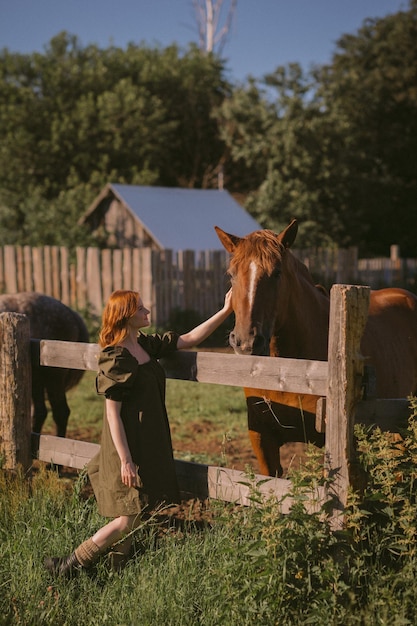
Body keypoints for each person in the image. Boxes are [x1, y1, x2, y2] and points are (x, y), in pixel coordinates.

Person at [44, 288, 233, 577]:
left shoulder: (144, 344)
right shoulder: (116, 357)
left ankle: (116, 572)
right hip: (126, 445)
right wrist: (125, 460)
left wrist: (226, 310)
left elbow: (190, 338)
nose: (147, 313)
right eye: (141, 309)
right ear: (126, 316)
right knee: (127, 517)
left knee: (135, 513)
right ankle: (71, 565)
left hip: (148, 440)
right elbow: (112, 415)